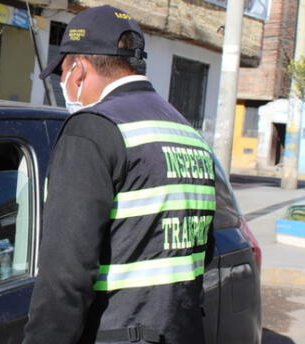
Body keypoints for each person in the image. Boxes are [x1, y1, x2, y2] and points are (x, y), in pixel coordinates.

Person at [23, 5, 216, 344]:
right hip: (182, 331)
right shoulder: (186, 131)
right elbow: (202, 247)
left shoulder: (93, 129)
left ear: (78, 70)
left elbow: (66, 274)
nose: (65, 85)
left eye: (63, 73)